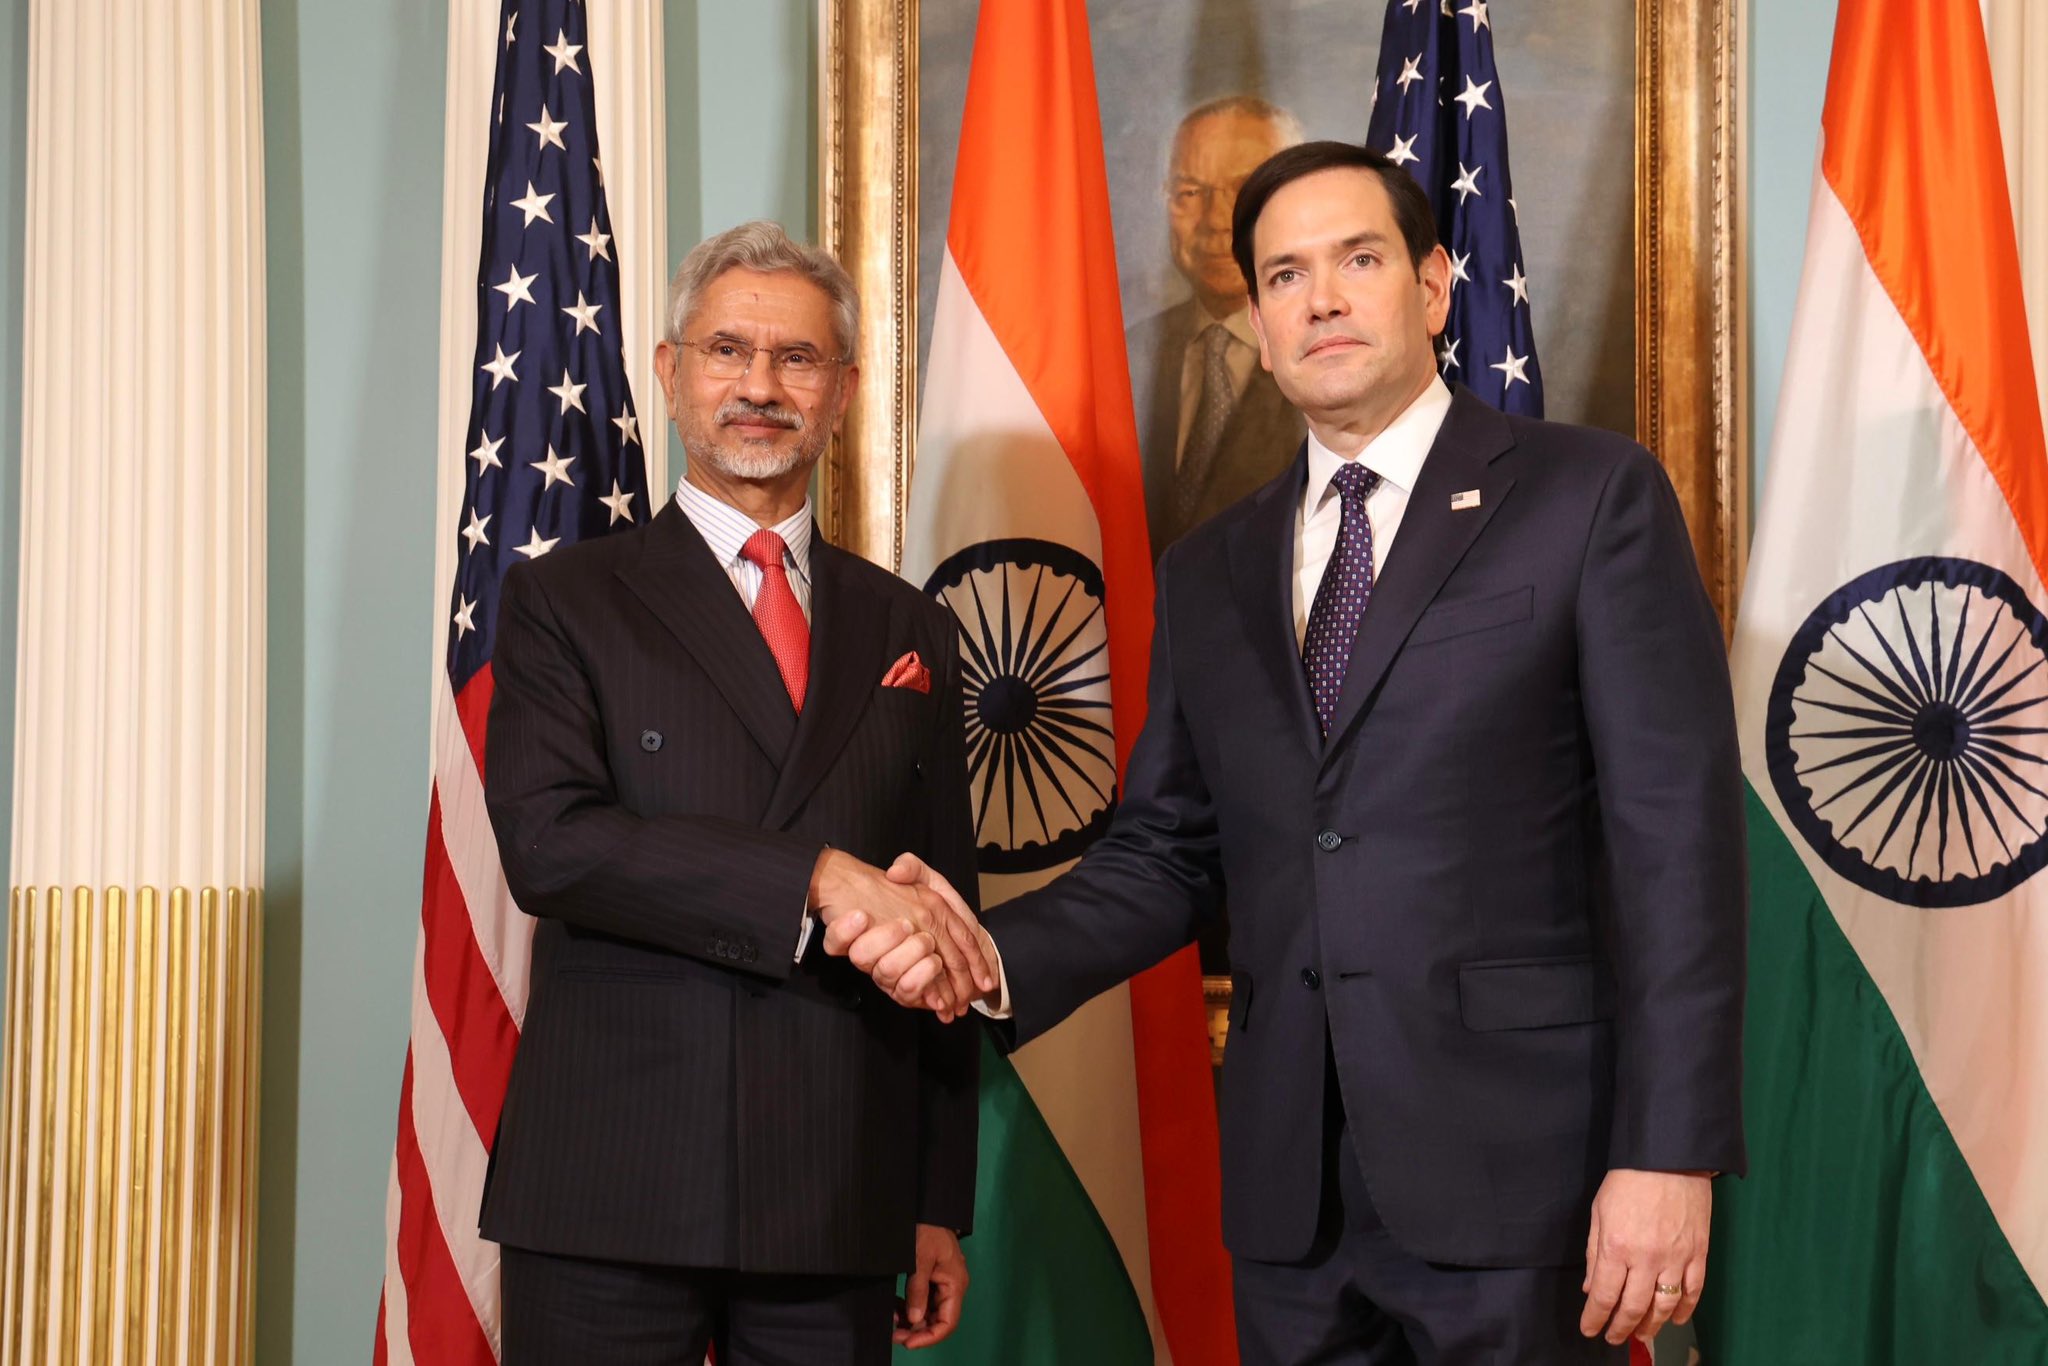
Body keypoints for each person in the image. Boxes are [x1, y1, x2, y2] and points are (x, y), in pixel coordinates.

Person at [902, 142, 1748, 1364]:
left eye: (1356, 259)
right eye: (1284, 275)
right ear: (1253, 318)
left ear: (1433, 285)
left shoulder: (1585, 498)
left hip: (1523, 1179)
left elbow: (1674, 846)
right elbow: (1170, 849)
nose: (1323, 299)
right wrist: (984, 955)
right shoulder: (1210, 567)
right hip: (1289, 1197)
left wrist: (1666, 1150)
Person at [480, 220, 996, 1366]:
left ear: (843, 391)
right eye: (726, 351)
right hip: (611, 1184)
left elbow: (940, 917)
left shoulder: (909, 623)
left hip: (838, 1188)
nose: (759, 386)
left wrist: (932, 1195)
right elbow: (551, 844)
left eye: (796, 359)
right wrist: (810, 876)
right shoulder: (567, 600)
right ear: (670, 375)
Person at [1130, 95, 1307, 555]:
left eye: (1243, 188)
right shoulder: (1122, 357)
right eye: (1190, 193)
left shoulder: (1333, 350)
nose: (1214, 220)